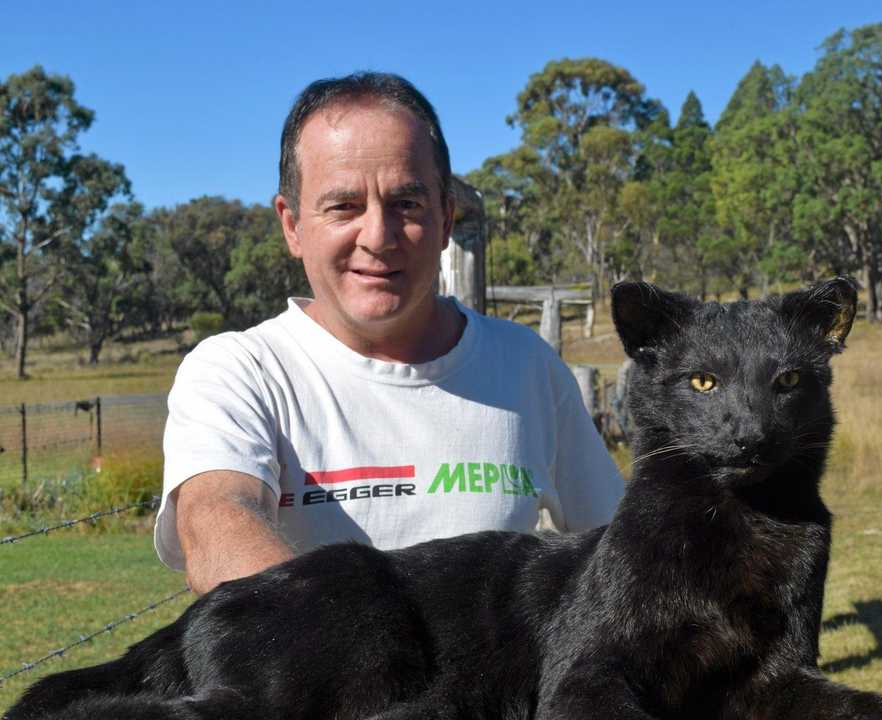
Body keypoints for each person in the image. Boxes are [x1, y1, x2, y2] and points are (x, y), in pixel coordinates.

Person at [155, 72, 624, 595]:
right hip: (311, 674)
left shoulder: (526, 367)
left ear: (445, 217)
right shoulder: (242, 372)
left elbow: (624, 552)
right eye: (343, 207)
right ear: (292, 225)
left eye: (406, 204)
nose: (378, 237)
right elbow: (217, 522)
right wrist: (364, 654)